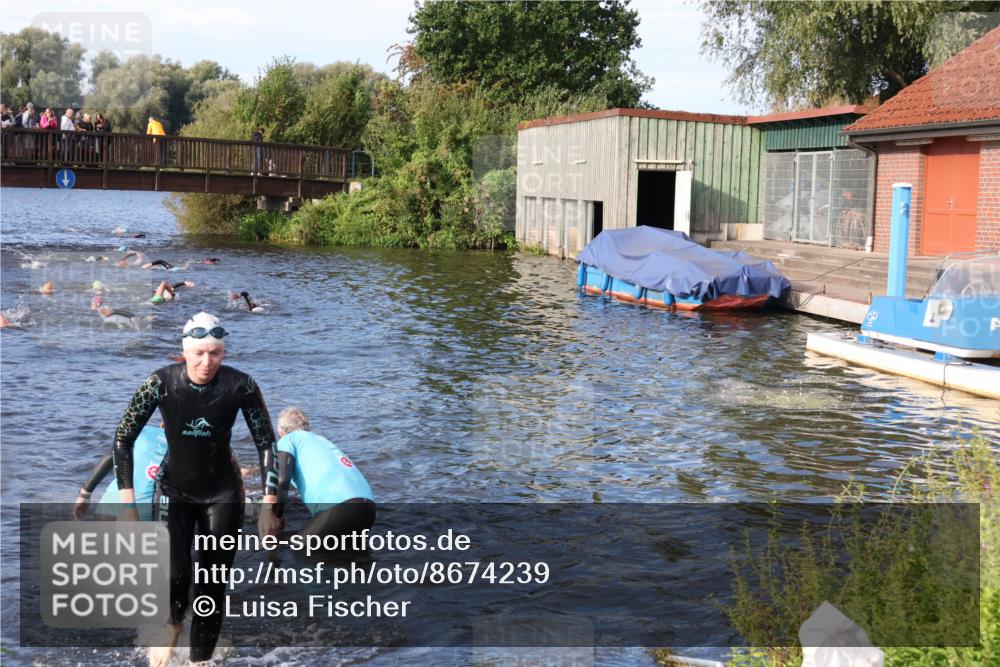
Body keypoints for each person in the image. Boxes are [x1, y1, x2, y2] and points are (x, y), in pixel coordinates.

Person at [112, 311, 281, 667]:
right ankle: (173, 624)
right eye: (200, 353)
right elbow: (123, 439)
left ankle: (199, 662)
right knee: (175, 575)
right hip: (175, 491)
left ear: (223, 352)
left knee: (212, 586)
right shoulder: (159, 383)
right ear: (184, 352)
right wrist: (128, 503)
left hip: (223, 494)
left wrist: (268, 502)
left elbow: (267, 442)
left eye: (216, 353)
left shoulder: (241, 385)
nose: (207, 362)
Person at [265, 406, 375, 539]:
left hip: (341, 508)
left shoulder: (287, 440)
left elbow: (281, 480)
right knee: (347, 552)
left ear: (280, 432)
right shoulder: (321, 440)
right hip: (369, 509)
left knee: (298, 548)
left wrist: (275, 517)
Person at [74, 425, 168, 521]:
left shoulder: (143, 430)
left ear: (162, 424)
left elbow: (113, 454)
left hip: (109, 505)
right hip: (143, 514)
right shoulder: (181, 446)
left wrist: (84, 495)